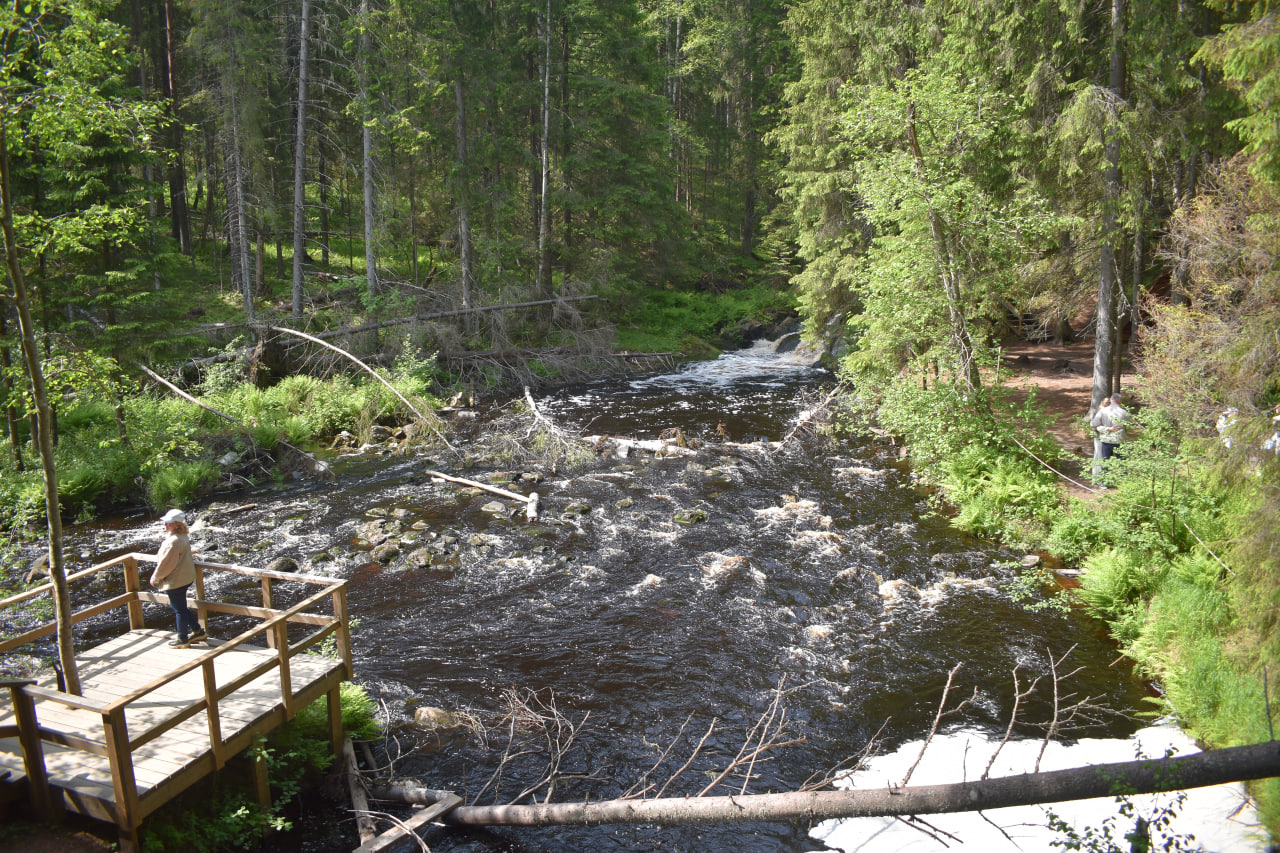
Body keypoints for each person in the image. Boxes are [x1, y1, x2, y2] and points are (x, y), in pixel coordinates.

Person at [151, 508, 206, 648]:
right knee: (181, 607)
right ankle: (197, 631)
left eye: (168, 522)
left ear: (177, 524)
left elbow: (167, 563)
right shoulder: (181, 536)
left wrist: (156, 577)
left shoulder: (174, 541)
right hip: (184, 577)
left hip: (176, 580)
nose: (165, 525)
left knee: (179, 610)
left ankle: (182, 639)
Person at [1090, 392, 1131, 461]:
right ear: (1120, 401)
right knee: (1122, 464)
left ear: (1111, 400)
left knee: (1106, 463)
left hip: (1107, 440)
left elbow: (1093, 424)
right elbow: (1129, 425)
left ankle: (1105, 472)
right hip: (1120, 440)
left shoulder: (1103, 411)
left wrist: (1103, 428)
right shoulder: (1124, 412)